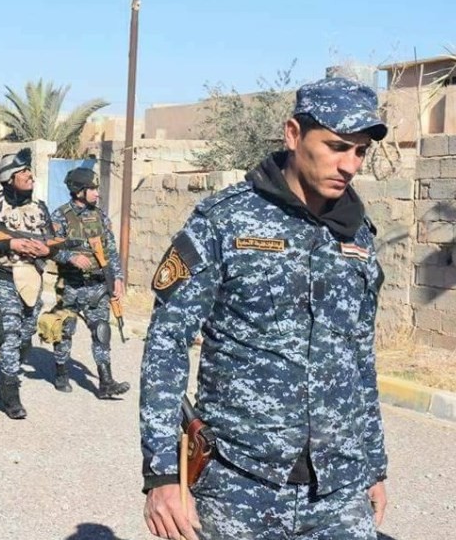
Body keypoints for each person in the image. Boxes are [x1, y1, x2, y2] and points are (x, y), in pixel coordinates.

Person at [141, 77, 390, 540]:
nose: (350, 165)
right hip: (239, 486)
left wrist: (374, 465)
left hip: (339, 490)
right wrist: (161, 474)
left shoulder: (357, 234)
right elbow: (167, 343)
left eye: (360, 152)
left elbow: (360, 357)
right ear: (293, 135)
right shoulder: (224, 221)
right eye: (337, 146)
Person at [0, 148, 55, 419]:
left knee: (26, 331)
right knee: (10, 329)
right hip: (5, 275)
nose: (31, 175)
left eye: (30, 170)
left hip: (33, 276)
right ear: (9, 178)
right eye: (24, 171)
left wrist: (47, 250)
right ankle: (10, 390)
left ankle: (10, 364)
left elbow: (52, 241)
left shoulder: (40, 208)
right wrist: (11, 244)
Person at [46, 167, 129, 398]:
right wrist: (70, 257)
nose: (97, 193)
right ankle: (61, 372)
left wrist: (118, 277)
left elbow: (111, 250)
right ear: (79, 191)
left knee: (101, 331)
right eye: (92, 189)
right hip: (71, 286)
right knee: (64, 331)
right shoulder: (60, 216)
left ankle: (106, 382)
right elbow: (48, 248)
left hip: (98, 285)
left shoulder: (100, 216)